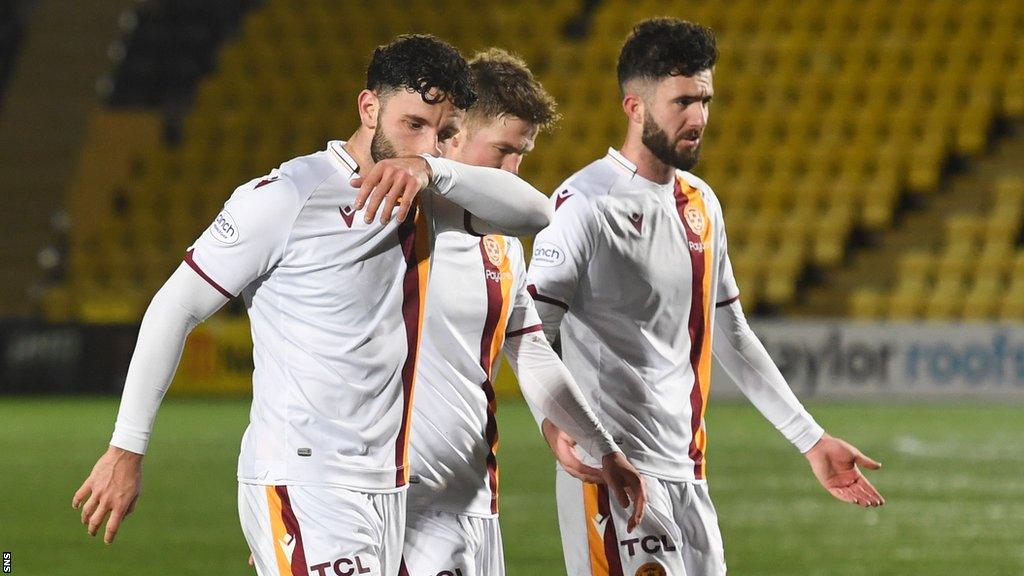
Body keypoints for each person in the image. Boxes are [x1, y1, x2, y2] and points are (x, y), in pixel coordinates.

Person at [72, 34, 554, 576]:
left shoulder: (432, 198)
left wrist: (435, 172)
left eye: (443, 134)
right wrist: (126, 449)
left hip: (387, 485)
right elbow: (174, 308)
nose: (426, 145)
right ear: (369, 107)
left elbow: (535, 215)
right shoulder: (289, 196)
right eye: (412, 124)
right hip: (304, 477)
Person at [527, 18, 885, 576]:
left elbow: (732, 333)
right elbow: (530, 331)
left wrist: (811, 441)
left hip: (690, 474)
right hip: (617, 472)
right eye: (682, 102)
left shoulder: (701, 203)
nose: (698, 118)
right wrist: (555, 425)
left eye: (705, 100)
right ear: (635, 107)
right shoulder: (583, 203)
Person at [400, 48, 646, 576]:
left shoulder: (501, 242)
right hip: (397, 505)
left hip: (475, 499)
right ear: (453, 135)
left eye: (524, 155)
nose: (514, 171)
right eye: (504, 150)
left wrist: (601, 445)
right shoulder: (398, 224)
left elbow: (530, 348)